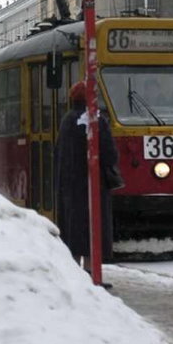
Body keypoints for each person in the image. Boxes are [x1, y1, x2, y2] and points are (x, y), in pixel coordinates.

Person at [53, 81, 119, 268]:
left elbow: (59, 153)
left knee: (75, 231)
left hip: (70, 188)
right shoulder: (95, 120)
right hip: (93, 186)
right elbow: (110, 154)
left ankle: (76, 271)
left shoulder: (67, 121)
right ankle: (90, 271)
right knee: (92, 230)